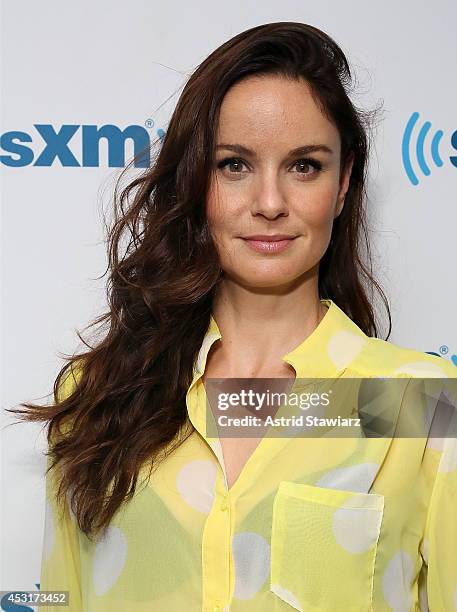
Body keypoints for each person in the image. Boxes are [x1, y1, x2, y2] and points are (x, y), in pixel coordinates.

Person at [9, 21, 457, 612]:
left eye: (304, 166)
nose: (270, 203)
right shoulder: (99, 393)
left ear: (344, 184)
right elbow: (58, 600)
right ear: (196, 181)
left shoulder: (417, 405)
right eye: (234, 165)